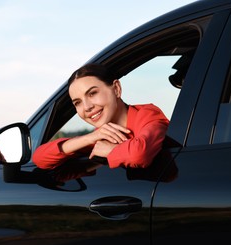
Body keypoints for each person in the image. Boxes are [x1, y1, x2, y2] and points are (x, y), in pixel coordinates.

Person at [33, 63, 169, 170]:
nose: (87, 107)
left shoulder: (148, 114)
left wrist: (111, 150)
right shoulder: (99, 136)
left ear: (116, 89)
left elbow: (139, 155)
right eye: (77, 102)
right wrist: (89, 138)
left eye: (92, 93)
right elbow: (40, 158)